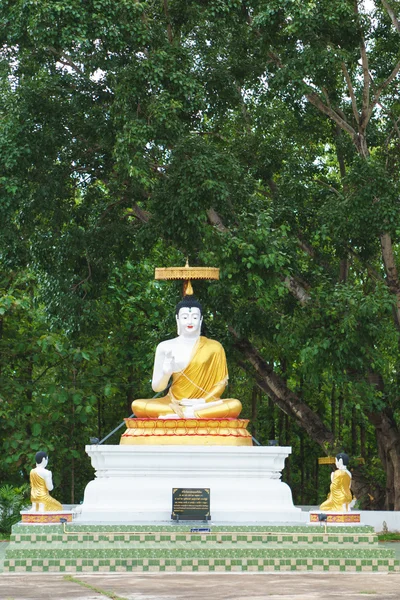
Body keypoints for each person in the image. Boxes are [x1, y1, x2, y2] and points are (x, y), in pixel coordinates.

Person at [131, 297, 242, 419]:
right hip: (173, 403)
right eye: (185, 317)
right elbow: (157, 387)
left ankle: (186, 414)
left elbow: (220, 384)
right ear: (177, 319)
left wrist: (203, 401)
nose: (190, 322)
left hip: (204, 404)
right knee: (137, 405)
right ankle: (191, 414)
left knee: (234, 405)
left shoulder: (215, 347)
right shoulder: (165, 347)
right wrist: (166, 373)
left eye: (194, 317)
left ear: (201, 320)